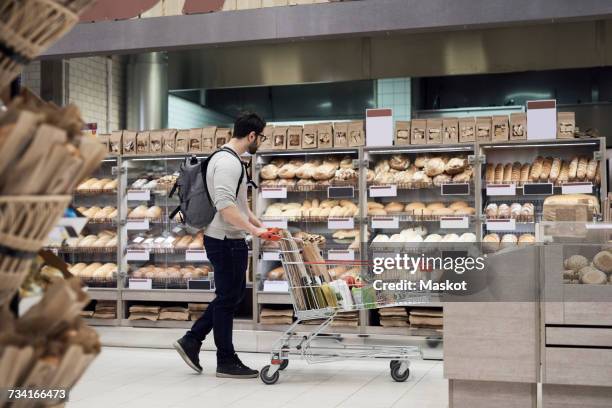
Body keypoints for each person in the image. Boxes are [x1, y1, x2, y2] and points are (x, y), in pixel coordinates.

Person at [174, 113, 268, 378]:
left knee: (231, 295)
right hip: (225, 240)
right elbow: (225, 206)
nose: (260, 141)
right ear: (252, 136)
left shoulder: (230, 159)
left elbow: (240, 204)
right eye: (261, 137)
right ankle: (225, 360)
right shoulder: (228, 163)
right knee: (228, 299)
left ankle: (192, 339)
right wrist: (253, 231)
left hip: (229, 239)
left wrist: (258, 224)